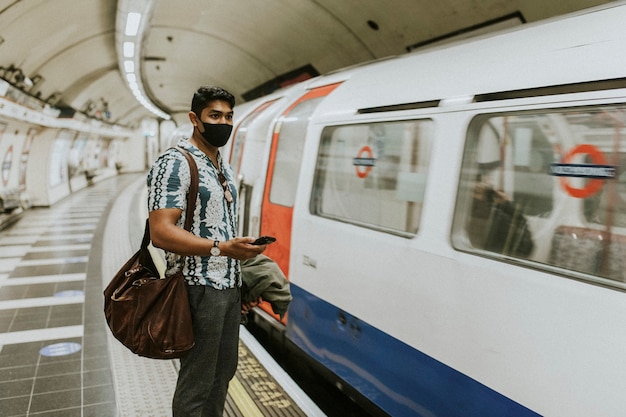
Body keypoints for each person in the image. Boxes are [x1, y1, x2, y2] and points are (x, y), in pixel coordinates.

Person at [146, 86, 266, 417]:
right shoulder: (175, 162)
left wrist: (241, 266)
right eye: (215, 116)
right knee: (197, 382)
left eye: (229, 116)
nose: (223, 123)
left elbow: (220, 228)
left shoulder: (223, 168)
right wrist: (220, 248)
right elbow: (161, 231)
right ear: (194, 119)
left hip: (228, 289)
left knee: (222, 375)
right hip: (197, 287)